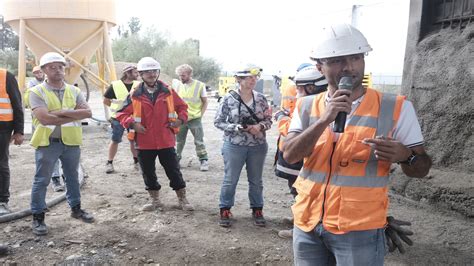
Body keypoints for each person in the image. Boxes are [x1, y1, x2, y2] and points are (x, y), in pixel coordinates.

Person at [283, 24, 432, 265]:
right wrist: (324, 120)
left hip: (360, 229)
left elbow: (422, 168)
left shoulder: (397, 107)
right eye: (338, 60)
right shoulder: (307, 106)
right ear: (320, 66)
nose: (349, 67)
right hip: (308, 225)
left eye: (356, 57)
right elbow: (290, 155)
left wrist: (406, 156)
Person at [116, 57, 194, 212]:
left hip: (165, 140)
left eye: (154, 71)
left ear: (158, 73)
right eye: (147, 72)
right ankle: (155, 201)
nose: (151, 74)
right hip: (144, 141)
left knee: (173, 171)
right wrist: (132, 123)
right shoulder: (135, 94)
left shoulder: (169, 91)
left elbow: (183, 108)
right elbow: (121, 113)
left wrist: (180, 120)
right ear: (141, 74)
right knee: (148, 173)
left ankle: (182, 199)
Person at [29, 52, 94, 235]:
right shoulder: (36, 92)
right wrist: (73, 113)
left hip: (71, 142)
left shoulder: (74, 90)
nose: (57, 70)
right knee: (42, 180)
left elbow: (88, 113)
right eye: (52, 67)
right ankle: (38, 217)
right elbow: (45, 119)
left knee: (72, 176)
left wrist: (60, 112)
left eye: (60, 66)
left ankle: (76, 209)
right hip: (48, 142)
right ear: (43, 71)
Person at [214, 65, 272, 227]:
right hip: (234, 145)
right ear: (238, 80)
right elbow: (218, 122)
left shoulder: (261, 98)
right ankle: (225, 209)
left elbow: (268, 120)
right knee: (230, 179)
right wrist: (237, 127)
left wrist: (259, 127)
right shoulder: (228, 98)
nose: (253, 81)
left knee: (256, 180)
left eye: (255, 78)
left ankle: (257, 209)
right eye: (248, 78)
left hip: (258, 145)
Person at [274, 64, 328, 239]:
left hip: (304, 160)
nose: (296, 92)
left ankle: (302, 226)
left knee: (303, 193)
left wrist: (281, 118)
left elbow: (291, 131)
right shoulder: (322, 103)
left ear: (310, 87)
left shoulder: (311, 106)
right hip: (305, 160)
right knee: (299, 192)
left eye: (298, 88)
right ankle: (300, 220)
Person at [25, 67, 64, 193]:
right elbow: (42, 113)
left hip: (61, 128)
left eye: (39, 72)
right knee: (46, 159)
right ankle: (55, 179)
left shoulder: (61, 86)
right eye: (36, 72)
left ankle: (61, 177)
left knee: (61, 156)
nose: (38, 74)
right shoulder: (33, 87)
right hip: (42, 127)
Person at [103, 64, 140, 173]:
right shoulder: (115, 85)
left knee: (133, 140)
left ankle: (137, 162)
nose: (137, 74)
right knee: (115, 140)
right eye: (135, 72)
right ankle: (109, 163)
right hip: (118, 118)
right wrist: (118, 109)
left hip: (133, 118)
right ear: (128, 73)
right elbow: (106, 100)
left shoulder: (138, 85)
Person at [174, 64, 209, 171]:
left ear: (190, 74)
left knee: (199, 141)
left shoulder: (199, 85)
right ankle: (176, 159)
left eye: (183, 75)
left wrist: (200, 115)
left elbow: (205, 101)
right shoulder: (177, 85)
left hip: (194, 118)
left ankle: (203, 160)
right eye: (179, 75)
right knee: (178, 141)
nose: (181, 78)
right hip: (180, 119)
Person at [0, 69, 24, 216]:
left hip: (2, 126)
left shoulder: (5, 76)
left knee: (1, 163)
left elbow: (17, 104)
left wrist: (19, 131)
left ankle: (2, 201)